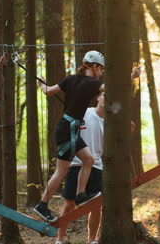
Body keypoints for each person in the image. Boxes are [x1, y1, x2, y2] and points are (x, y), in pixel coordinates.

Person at [34, 50, 107, 223]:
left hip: (68, 128)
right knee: (61, 171)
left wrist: (41, 82)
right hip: (68, 129)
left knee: (88, 159)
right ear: (95, 66)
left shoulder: (70, 79)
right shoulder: (93, 83)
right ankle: (42, 205)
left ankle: (80, 195)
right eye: (101, 69)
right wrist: (131, 76)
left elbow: (48, 91)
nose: (102, 73)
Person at [56, 92, 137, 244]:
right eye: (105, 95)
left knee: (96, 205)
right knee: (69, 204)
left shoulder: (112, 122)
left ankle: (91, 240)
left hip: (97, 166)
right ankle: (59, 239)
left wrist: (128, 130)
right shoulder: (85, 112)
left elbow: (121, 140)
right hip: (76, 163)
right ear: (99, 98)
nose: (107, 99)